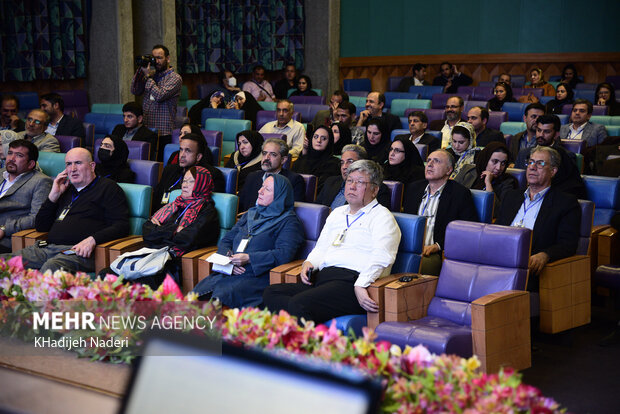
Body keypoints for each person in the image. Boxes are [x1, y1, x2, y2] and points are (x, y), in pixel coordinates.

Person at [262, 160, 401, 324]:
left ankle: (308, 345)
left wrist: (361, 285)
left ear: (375, 189)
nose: (352, 186)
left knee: (299, 304)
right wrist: (309, 262)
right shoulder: (338, 213)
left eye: (360, 182)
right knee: (271, 293)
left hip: (350, 283)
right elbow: (322, 247)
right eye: (350, 180)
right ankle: (296, 332)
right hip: (323, 279)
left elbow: (382, 257)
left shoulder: (382, 217)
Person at [3, 148, 129, 273]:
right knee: (4, 262)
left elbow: (121, 225)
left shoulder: (108, 188)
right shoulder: (65, 189)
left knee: (51, 267)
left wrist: (93, 239)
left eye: (78, 163)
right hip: (47, 248)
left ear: (92, 166)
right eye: (69, 164)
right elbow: (41, 226)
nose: (72, 169)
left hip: (79, 252)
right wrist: (53, 196)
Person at [193, 174, 304, 308]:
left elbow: (284, 254)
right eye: (262, 186)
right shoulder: (251, 213)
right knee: (195, 295)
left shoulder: (289, 222)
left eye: (267, 189)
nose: (260, 191)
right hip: (230, 271)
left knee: (220, 299)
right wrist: (228, 261)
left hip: (257, 277)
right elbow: (226, 240)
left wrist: (249, 258)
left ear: (280, 196)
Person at [101, 166, 219, 289]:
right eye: (184, 180)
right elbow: (147, 231)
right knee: (106, 275)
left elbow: (187, 238)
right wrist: (174, 230)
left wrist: (159, 231)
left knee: (139, 285)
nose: (184, 185)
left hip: (173, 262)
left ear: (202, 183)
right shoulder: (173, 205)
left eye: (191, 181)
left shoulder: (208, 211)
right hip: (150, 254)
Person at [496, 146, 580, 290]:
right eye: (530, 162)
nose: (533, 168)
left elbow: (568, 244)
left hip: (529, 267)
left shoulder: (565, 203)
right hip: (499, 259)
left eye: (540, 164)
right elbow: (496, 230)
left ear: (553, 171)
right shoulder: (511, 197)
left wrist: (545, 255)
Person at [403, 149, 478, 275]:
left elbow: (467, 229)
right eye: (428, 161)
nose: (430, 164)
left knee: (417, 266)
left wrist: (438, 246)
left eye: (436, 161)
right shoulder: (414, 188)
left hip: (435, 252)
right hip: (409, 248)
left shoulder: (459, 194)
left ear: (449, 170)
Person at [131, 44, 182, 160]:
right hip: (147, 128)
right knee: (146, 161)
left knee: (158, 164)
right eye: (154, 58)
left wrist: (148, 77)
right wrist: (140, 72)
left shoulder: (175, 78)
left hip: (163, 131)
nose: (156, 61)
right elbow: (135, 90)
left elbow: (159, 95)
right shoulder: (151, 76)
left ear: (167, 59)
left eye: (159, 57)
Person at [515, 115, 586, 199]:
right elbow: (518, 182)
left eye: (546, 132)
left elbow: (572, 187)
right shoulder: (523, 153)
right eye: (539, 130)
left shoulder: (565, 156)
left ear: (556, 134)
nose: (541, 135)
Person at [0, 139, 52, 253]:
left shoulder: (41, 181)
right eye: (10, 153)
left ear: (30, 164)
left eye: (19, 155)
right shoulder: (1, 173)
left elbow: (36, 218)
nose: (11, 159)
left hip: (8, 237)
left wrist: (4, 229)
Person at [152, 133, 224, 213]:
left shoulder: (211, 175)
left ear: (198, 157)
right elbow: (156, 199)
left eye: (188, 151)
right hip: (162, 218)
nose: (182, 155)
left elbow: (207, 207)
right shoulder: (169, 170)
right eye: (181, 149)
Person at [315, 144, 391, 210]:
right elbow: (317, 210)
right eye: (342, 163)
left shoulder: (376, 188)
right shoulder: (330, 182)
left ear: (362, 163)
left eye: (350, 162)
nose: (344, 167)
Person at [238, 138, 305, 212]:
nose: (266, 158)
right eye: (264, 153)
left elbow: (290, 211)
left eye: (273, 154)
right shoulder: (252, 177)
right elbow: (240, 205)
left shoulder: (294, 180)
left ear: (283, 160)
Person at [453, 142, 518, 216]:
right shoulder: (468, 170)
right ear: (485, 159)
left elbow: (498, 212)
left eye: (503, 163)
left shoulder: (508, 182)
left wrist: (488, 183)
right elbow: (451, 194)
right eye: (495, 162)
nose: (498, 168)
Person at [292, 125, 340, 194]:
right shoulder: (301, 160)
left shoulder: (334, 164)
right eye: (316, 137)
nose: (318, 140)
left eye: (323, 138)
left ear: (329, 141)